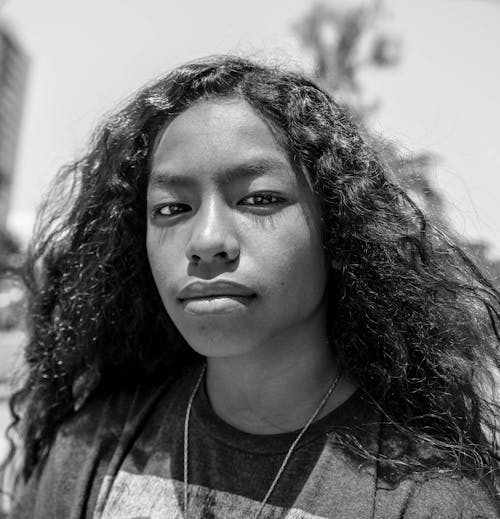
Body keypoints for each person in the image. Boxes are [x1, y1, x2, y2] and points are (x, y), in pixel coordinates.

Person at [1, 55, 499, 518]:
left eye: (259, 198)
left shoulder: (430, 500)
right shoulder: (88, 452)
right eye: (172, 208)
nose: (207, 241)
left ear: (337, 229)